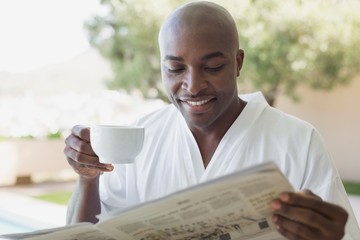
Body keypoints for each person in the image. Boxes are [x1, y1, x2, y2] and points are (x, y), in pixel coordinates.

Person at [64, 1, 360, 239]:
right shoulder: (137, 139)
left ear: (238, 62)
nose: (192, 85)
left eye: (213, 66)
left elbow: (340, 232)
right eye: (175, 68)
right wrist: (88, 179)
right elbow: (85, 233)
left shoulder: (298, 140)